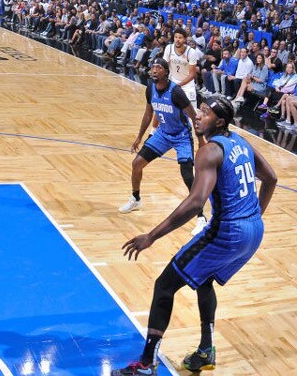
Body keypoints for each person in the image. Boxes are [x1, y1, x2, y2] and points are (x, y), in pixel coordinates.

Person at [112, 96, 276, 375]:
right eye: (199, 110)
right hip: (253, 231)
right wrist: (254, 216)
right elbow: (271, 178)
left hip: (228, 231)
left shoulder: (210, 151)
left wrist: (151, 236)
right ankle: (206, 350)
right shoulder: (242, 142)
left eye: (205, 112)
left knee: (164, 285)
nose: (198, 116)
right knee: (204, 279)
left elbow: (196, 201)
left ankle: (146, 364)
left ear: (219, 122)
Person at [120, 58, 209, 235]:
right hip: (162, 134)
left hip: (182, 136)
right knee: (137, 163)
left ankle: (201, 217)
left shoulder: (175, 92)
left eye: (158, 67)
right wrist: (139, 137)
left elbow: (193, 117)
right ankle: (136, 199)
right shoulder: (150, 88)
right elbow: (148, 113)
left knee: (187, 176)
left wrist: (200, 141)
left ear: (166, 72)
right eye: (152, 67)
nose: (153, 70)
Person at [163, 28, 202, 108]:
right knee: (169, 109)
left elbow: (192, 74)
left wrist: (178, 85)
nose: (177, 40)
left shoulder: (191, 52)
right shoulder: (169, 48)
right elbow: (164, 67)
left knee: (193, 112)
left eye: (180, 38)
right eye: (176, 37)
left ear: (184, 39)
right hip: (172, 81)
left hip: (187, 84)